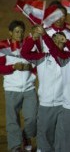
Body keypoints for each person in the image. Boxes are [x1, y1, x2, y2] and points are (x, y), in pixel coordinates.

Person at [21, 27, 65, 152]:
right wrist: (33, 38)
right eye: (54, 40)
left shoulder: (68, 59)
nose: (56, 43)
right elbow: (24, 52)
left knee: (61, 139)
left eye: (60, 41)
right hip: (46, 105)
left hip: (63, 105)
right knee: (44, 138)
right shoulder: (42, 57)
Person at [0, 20, 37, 152]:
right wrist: (13, 67)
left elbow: (36, 65)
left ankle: (26, 136)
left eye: (21, 31)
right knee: (12, 122)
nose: (19, 34)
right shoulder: (3, 46)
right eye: (16, 31)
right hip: (11, 89)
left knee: (33, 117)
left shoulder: (29, 46)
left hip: (29, 89)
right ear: (10, 33)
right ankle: (15, 147)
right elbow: (0, 68)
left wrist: (32, 74)